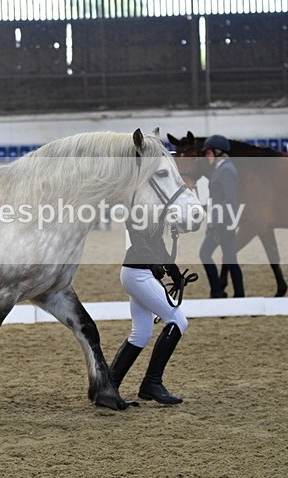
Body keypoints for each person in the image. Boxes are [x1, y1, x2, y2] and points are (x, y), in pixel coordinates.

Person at [109, 218, 190, 405]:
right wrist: (152, 262)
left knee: (141, 333)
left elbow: (158, 243)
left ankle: (109, 386)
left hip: (137, 272)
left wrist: (174, 272)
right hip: (138, 273)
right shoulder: (137, 208)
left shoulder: (154, 209)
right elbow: (137, 238)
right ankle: (152, 382)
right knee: (178, 320)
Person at [199, 134, 245, 298]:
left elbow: (229, 199)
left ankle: (217, 292)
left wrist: (215, 222)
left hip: (223, 222)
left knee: (204, 253)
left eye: (209, 153)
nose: (206, 156)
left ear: (218, 152)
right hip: (226, 220)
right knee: (230, 258)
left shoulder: (226, 169)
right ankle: (239, 295)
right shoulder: (222, 168)